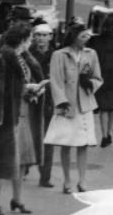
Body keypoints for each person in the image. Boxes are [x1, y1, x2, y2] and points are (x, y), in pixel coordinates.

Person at [0, 24, 42, 215]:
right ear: (22, 40)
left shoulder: (21, 59)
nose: (31, 42)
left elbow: (21, 84)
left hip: (20, 113)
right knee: (0, 161)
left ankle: (17, 199)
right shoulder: (2, 61)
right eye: (30, 38)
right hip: (5, 117)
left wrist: (31, 92)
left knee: (20, 161)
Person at [43, 23, 101, 193]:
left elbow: (98, 78)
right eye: (83, 36)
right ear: (74, 37)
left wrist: (89, 83)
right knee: (65, 143)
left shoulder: (91, 54)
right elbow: (56, 80)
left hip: (84, 105)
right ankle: (67, 180)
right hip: (67, 105)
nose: (87, 39)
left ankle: (82, 181)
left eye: (87, 36)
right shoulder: (59, 55)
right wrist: (61, 102)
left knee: (83, 144)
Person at [23, 23, 56, 187]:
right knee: (28, 136)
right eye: (38, 35)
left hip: (49, 101)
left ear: (50, 36)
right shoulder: (27, 55)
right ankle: (24, 167)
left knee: (48, 140)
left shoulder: (56, 55)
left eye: (45, 35)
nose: (41, 38)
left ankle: (45, 176)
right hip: (30, 99)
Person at [88, 13, 113, 148]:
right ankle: (109, 132)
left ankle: (104, 135)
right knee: (112, 108)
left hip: (102, 76)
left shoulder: (96, 40)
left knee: (104, 107)